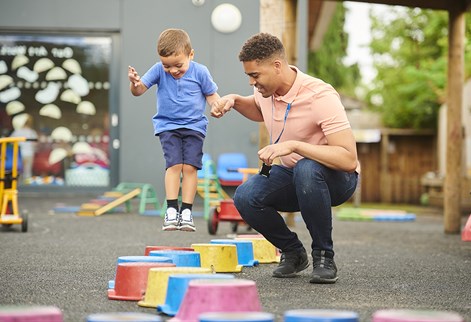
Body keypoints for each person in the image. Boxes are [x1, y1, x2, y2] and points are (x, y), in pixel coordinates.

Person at [211, 33, 360, 283]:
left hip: (337, 178)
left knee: (307, 168)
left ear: (277, 66)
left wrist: (293, 146)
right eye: (248, 76)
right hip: (296, 176)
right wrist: (234, 101)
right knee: (246, 196)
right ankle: (293, 252)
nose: (251, 82)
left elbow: (348, 160)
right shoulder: (265, 92)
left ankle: (324, 255)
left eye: (255, 75)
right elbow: (258, 108)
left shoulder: (319, 96)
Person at [128, 28, 220, 232]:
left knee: (190, 168)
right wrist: (134, 84)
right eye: (167, 65)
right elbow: (139, 90)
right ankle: (171, 210)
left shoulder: (201, 72)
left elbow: (212, 95)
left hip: (195, 126)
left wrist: (217, 106)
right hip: (168, 126)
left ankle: (186, 211)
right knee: (174, 165)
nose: (173, 70)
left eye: (178, 65)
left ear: (191, 55)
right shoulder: (158, 70)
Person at [10, 113, 38, 183]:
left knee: (18, 170)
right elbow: (35, 143)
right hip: (29, 153)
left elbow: (10, 141)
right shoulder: (32, 132)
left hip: (19, 153)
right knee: (27, 171)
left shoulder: (17, 131)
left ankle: (19, 184)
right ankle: (27, 186)